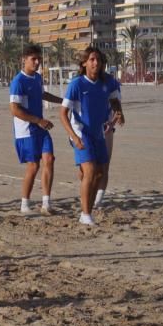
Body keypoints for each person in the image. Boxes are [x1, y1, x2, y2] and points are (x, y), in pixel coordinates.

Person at [59, 47, 124, 226]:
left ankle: (87, 209)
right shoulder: (77, 84)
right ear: (84, 63)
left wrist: (119, 113)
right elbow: (63, 113)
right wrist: (74, 136)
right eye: (92, 59)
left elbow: (114, 99)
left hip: (99, 132)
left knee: (100, 172)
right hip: (81, 133)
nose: (96, 63)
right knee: (90, 171)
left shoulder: (106, 82)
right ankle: (86, 214)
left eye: (99, 60)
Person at [9, 44, 64, 215]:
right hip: (26, 130)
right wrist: (38, 120)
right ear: (23, 60)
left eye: (39, 59)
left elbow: (42, 94)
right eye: (33, 59)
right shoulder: (18, 81)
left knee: (49, 159)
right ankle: (25, 203)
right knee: (33, 166)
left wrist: (64, 101)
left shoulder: (37, 78)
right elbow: (14, 109)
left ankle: (46, 203)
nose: (37, 62)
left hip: (40, 128)